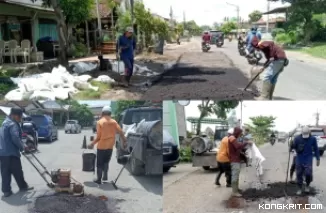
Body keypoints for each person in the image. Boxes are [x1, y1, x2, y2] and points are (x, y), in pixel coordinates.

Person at [88, 106, 127, 184]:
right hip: (110, 146)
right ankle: (105, 176)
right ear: (110, 113)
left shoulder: (100, 122)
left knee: (99, 163)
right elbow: (121, 132)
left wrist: (92, 144)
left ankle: (99, 179)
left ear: (102, 113)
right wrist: (124, 141)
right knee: (106, 161)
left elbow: (99, 137)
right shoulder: (114, 122)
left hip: (101, 146)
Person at [0, 108, 34, 197]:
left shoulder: (5, 123)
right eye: (20, 117)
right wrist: (23, 147)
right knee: (18, 171)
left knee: (5, 172)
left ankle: (6, 191)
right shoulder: (13, 125)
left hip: (3, 152)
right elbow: (15, 138)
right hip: (11, 152)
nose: (20, 119)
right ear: (15, 115)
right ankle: (23, 187)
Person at [291, 126, 320, 195]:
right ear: (301, 132)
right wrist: (292, 145)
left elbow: (316, 149)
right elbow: (293, 147)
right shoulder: (297, 138)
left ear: (309, 132)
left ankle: (307, 185)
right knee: (299, 174)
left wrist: (318, 158)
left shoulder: (313, 139)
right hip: (299, 158)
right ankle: (300, 188)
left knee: (308, 173)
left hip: (308, 158)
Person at [228, 127, 252, 197]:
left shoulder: (234, 138)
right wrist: (247, 142)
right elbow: (238, 146)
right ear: (237, 132)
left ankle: (236, 189)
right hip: (234, 160)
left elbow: (238, 147)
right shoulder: (232, 138)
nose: (240, 135)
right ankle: (234, 192)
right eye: (240, 133)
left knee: (237, 175)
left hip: (236, 159)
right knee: (235, 175)